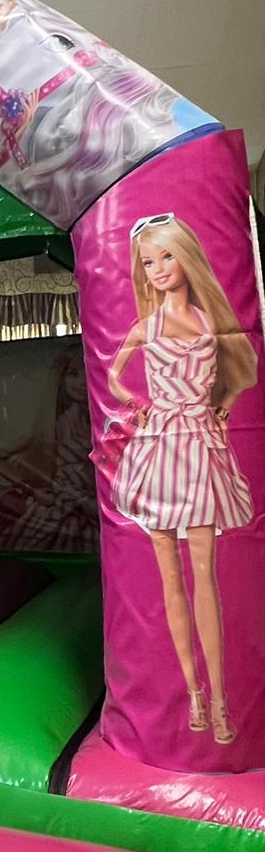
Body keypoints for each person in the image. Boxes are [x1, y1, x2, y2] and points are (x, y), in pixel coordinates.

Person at [108, 214, 256, 745]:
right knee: (170, 579)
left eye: (166, 256)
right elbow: (112, 376)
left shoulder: (212, 322)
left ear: (185, 256)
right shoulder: (144, 328)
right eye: (149, 262)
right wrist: (138, 404)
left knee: (204, 577)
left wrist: (224, 405)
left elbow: (244, 367)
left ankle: (219, 701)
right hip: (158, 453)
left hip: (198, 448)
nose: (158, 269)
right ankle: (194, 692)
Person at [0, 348, 98, 554]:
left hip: (90, 505)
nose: (81, 382)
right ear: (60, 380)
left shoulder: (98, 424)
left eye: (86, 373)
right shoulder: (54, 427)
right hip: (60, 509)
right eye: (73, 374)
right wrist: (31, 489)